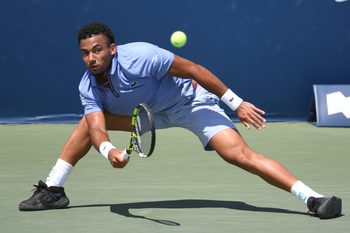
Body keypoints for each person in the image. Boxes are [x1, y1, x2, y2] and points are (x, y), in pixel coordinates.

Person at [19, 22, 341, 219]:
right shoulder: (87, 86)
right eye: (85, 53)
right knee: (85, 125)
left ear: (112, 50)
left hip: (189, 102)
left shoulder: (141, 56)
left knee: (239, 155)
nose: (91, 58)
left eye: (98, 50)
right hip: (143, 115)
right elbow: (96, 128)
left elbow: (194, 70)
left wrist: (237, 103)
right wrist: (109, 152)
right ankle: (54, 190)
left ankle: (312, 198)